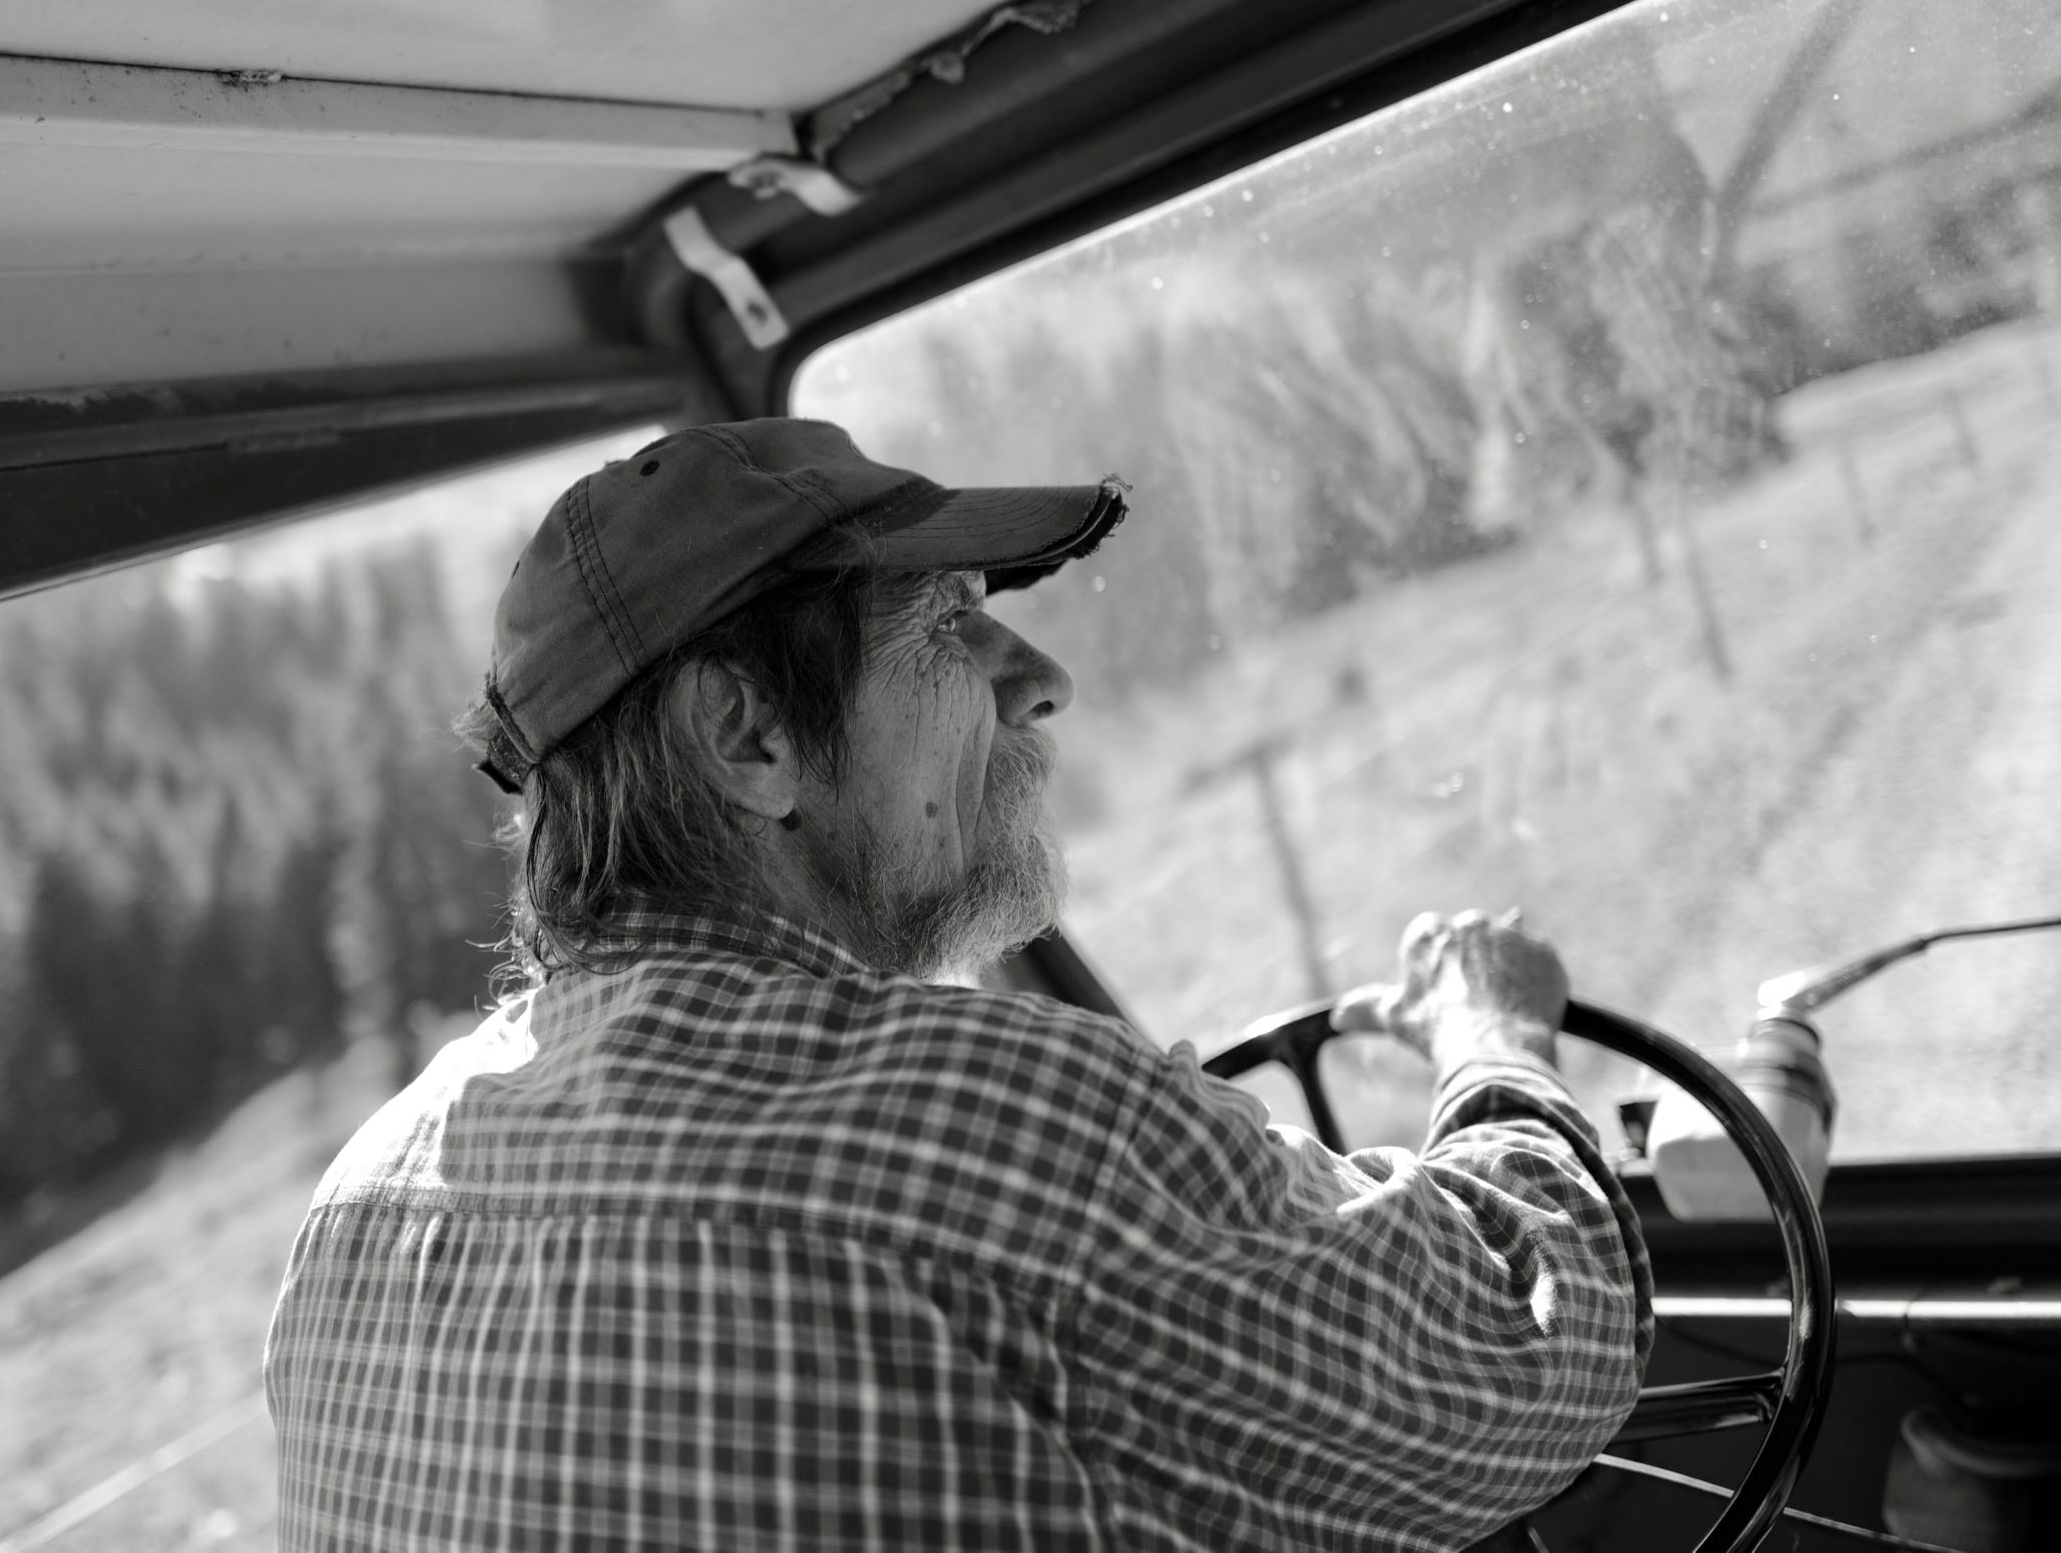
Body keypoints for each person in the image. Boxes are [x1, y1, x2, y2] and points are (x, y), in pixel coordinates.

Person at [266, 417, 1652, 1551]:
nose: (1040, 680)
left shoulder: (354, 1212)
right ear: (749, 735)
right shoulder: (1005, 1130)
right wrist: (1492, 1040)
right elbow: (1535, 1348)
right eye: (948, 628)